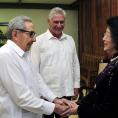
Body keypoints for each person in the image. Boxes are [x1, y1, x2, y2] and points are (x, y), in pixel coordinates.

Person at [0, 16, 72, 118]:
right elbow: (22, 98)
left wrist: (55, 99)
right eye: (31, 34)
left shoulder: (26, 53)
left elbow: (37, 79)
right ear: (15, 34)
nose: (34, 40)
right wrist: (54, 107)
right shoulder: (5, 55)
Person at [30, 7, 80, 118]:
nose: (59, 25)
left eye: (62, 22)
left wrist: (76, 85)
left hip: (66, 90)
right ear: (48, 22)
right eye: (56, 22)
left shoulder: (70, 40)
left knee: (64, 116)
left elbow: (75, 64)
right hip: (47, 93)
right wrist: (38, 91)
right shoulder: (38, 41)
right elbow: (34, 69)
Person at [68, 16, 118, 118]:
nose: (103, 38)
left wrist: (79, 109)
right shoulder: (113, 61)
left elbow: (109, 109)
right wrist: (79, 103)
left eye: (107, 34)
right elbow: (97, 92)